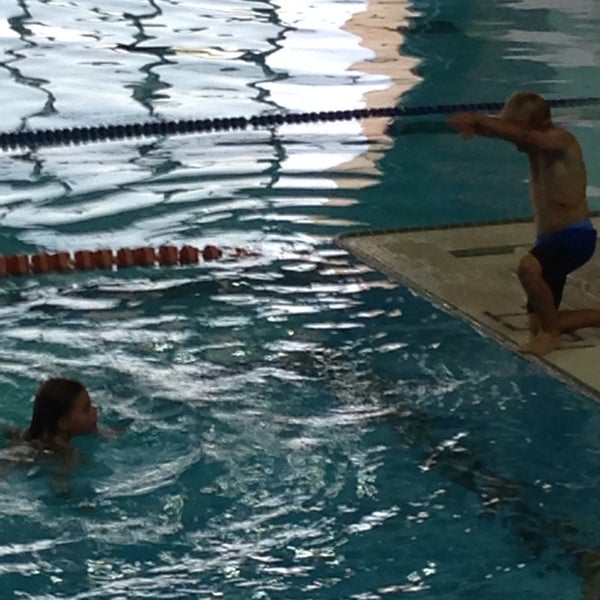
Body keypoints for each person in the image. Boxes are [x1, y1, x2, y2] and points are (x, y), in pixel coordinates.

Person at [448, 91, 600, 356]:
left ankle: (551, 336)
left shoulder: (561, 141)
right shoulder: (534, 143)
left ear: (540, 125)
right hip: (549, 240)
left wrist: (477, 118)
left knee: (528, 268)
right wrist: (478, 126)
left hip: (575, 237)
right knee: (538, 322)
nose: (512, 135)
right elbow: (515, 134)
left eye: (515, 128)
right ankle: (561, 323)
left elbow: (523, 136)